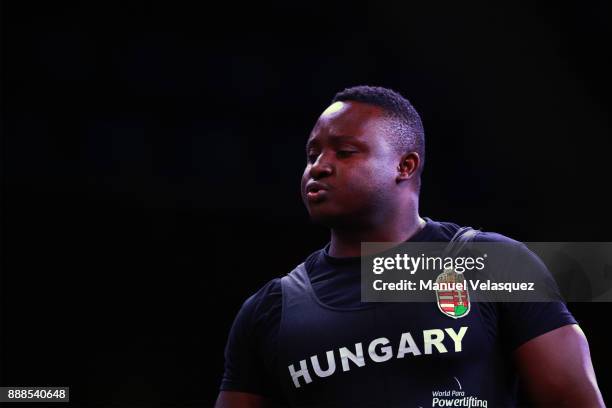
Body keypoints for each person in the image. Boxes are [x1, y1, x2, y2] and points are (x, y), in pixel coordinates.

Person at [215, 86, 604, 407]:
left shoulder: (494, 265)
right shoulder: (269, 310)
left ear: (405, 166)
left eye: (344, 152)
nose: (318, 166)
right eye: (312, 154)